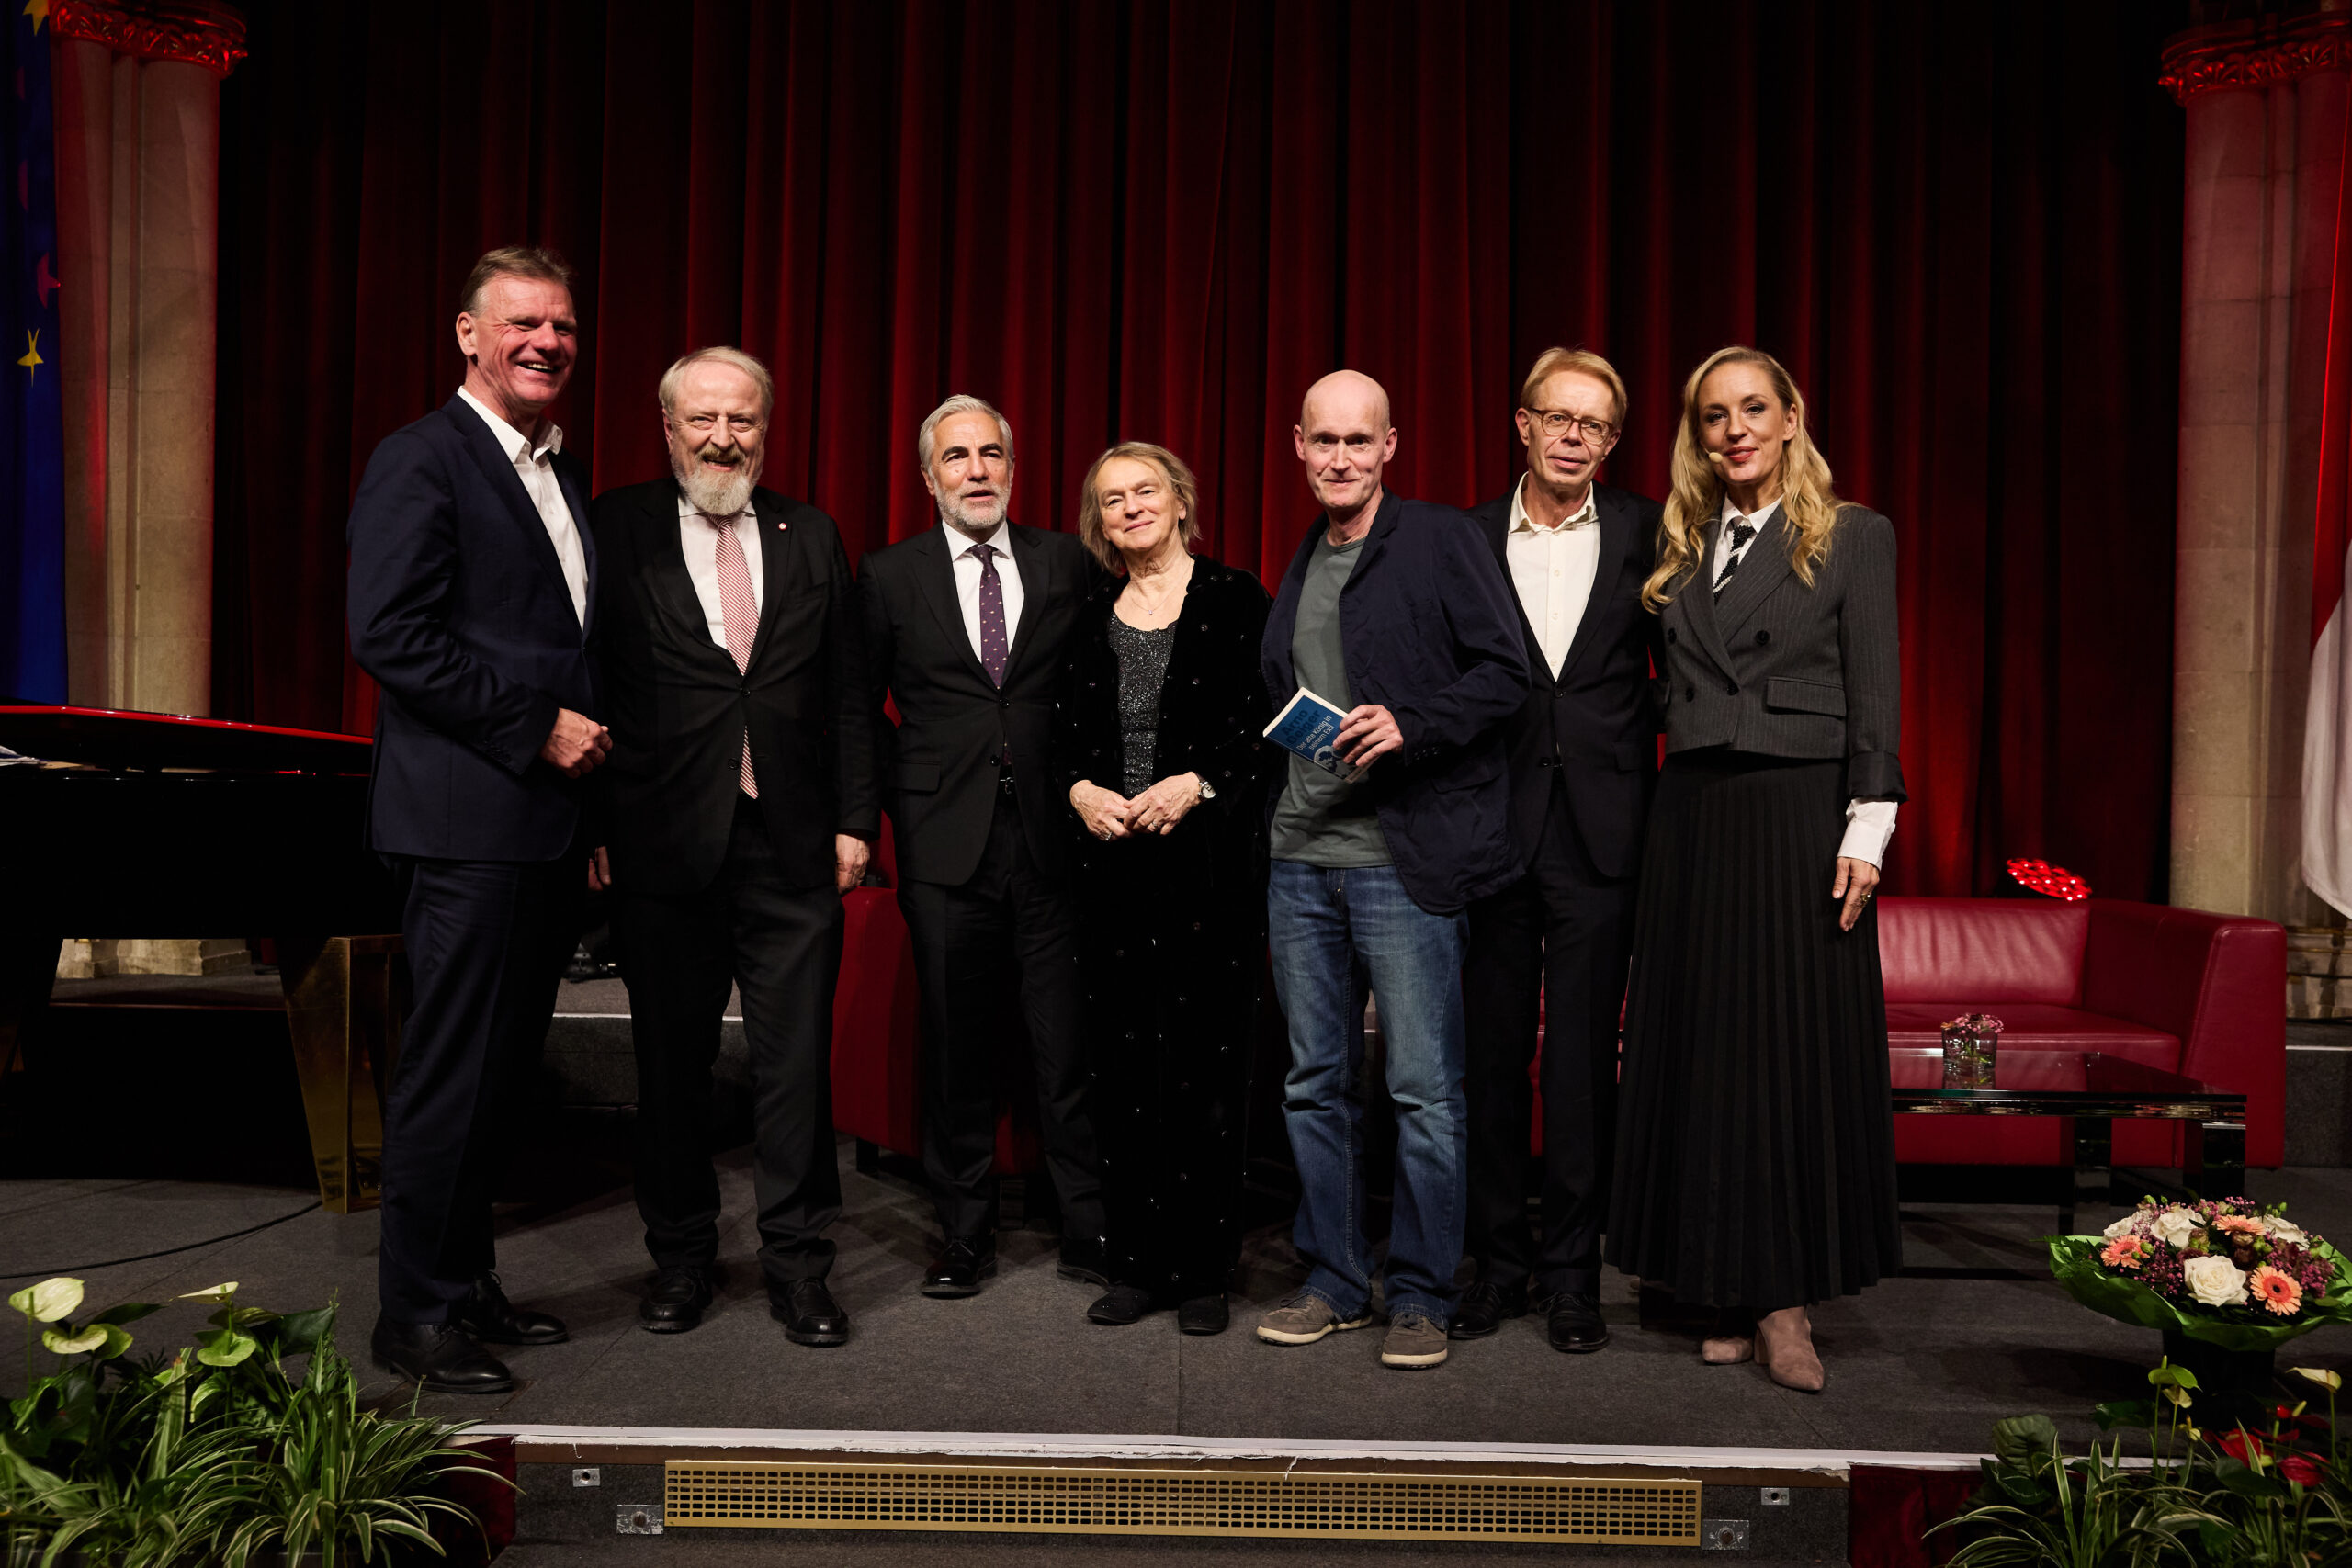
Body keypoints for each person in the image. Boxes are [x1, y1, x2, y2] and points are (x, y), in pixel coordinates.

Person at [1607, 344, 1905, 1393]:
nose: (1733, 429)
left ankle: (1785, 1304)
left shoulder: (1853, 536)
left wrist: (1865, 834)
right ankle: (1716, 1284)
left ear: (1789, 418)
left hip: (1795, 813)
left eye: (1752, 409)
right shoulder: (1676, 548)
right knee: (1705, 1051)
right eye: (1712, 416)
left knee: (1785, 1054)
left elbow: (1876, 696)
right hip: (1690, 814)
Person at [346, 245, 605, 1393]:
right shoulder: (422, 459)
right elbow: (391, 635)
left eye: (562, 325)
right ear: (467, 334)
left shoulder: (555, 469)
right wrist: (537, 727)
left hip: (540, 827)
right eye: (522, 324)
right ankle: (415, 1316)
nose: (547, 341)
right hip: (465, 823)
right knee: (450, 1073)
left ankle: (466, 1284)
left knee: (502, 1075)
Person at [587, 347, 876, 1346]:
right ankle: (680, 1260)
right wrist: (593, 829)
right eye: (702, 419)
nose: (722, 438)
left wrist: (854, 820)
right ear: (667, 428)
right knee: (670, 1067)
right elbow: (587, 682)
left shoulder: (811, 533)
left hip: (792, 845)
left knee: (796, 1068)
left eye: (741, 421)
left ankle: (800, 1266)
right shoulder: (611, 528)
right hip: (663, 843)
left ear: (766, 427)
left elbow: (846, 693)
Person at [1255, 370, 1529, 1371]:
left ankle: (1419, 1293)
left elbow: (1506, 674)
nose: (1339, 458)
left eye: (1356, 442)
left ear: (1389, 446)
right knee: (1312, 1085)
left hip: (1402, 865)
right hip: (1299, 861)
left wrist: (1414, 725)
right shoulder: (1303, 556)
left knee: (1421, 1090)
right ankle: (1333, 1280)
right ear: (1298, 445)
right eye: (1322, 441)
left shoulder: (1440, 539)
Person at [857, 394, 1109, 1296]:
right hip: (944, 847)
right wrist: (881, 808)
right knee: (958, 1056)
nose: (977, 470)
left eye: (991, 453)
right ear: (929, 477)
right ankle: (964, 1238)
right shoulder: (889, 576)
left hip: (1053, 844)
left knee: (1065, 1049)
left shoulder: (1066, 564)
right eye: (957, 456)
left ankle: (1089, 1229)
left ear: (1010, 465)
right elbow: (857, 708)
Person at [1456, 349, 1663, 1355]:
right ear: (1523, 425)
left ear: (1611, 443)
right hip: (1491, 833)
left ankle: (1573, 1276)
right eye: (1560, 418)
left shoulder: (1647, 533)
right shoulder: (1460, 538)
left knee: (1581, 1068)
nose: (1576, 436)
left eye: (1597, 424)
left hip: (1599, 837)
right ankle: (1497, 1266)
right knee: (1489, 1062)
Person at [1053, 442, 1274, 1337]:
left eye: (1146, 491)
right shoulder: (1088, 612)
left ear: (1181, 501)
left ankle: (1205, 1268)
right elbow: (1061, 740)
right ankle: (1137, 1264)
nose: (1132, 508)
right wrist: (1079, 792)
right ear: (1098, 523)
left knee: (1206, 1070)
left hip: (1207, 873)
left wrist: (1199, 783)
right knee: (1122, 1070)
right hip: (1113, 874)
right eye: (1113, 500)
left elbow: (1266, 733)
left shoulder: (1234, 599)